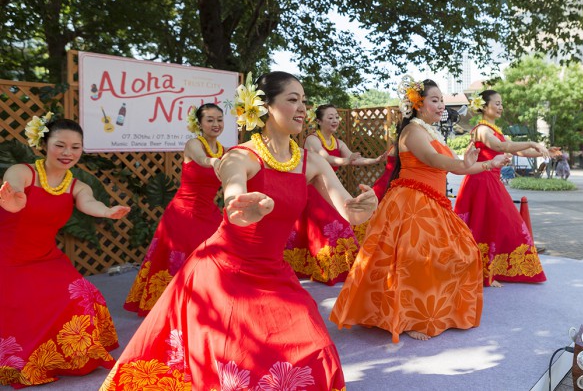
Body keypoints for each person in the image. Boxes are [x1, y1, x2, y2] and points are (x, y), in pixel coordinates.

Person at [100, 72, 377, 390]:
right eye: (292, 100)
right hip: (223, 273)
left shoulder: (311, 162)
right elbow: (234, 200)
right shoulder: (240, 157)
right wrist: (244, 209)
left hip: (273, 272)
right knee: (234, 366)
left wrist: (362, 208)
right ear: (266, 108)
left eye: (303, 101)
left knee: (313, 346)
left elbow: (349, 209)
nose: (302, 108)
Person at [330, 78, 507, 343]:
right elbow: (436, 161)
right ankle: (411, 317)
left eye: (441, 101)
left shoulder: (431, 131)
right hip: (411, 201)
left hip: (433, 201)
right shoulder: (413, 131)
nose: (440, 105)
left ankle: (433, 311)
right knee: (416, 259)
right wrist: (462, 163)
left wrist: (489, 162)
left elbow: (458, 166)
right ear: (417, 104)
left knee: (463, 252)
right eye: (434, 100)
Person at [0, 116, 130, 388]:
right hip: (7, 259)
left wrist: (106, 211)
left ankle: (63, 356)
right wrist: (14, 194)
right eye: (60, 145)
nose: (68, 153)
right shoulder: (24, 172)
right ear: (45, 144)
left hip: (47, 258)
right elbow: (13, 182)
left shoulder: (76, 185)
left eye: (75, 147)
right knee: (24, 303)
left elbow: (89, 202)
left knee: (82, 294)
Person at [123, 103, 224, 316]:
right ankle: (176, 302)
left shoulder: (224, 149)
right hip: (184, 212)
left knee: (217, 253)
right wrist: (218, 162)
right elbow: (203, 160)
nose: (216, 124)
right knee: (183, 257)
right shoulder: (193, 144)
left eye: (219, 120)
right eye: (210, 120)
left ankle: (205, 300)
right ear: (200, 124)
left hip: (209, 213)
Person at [454, 90, 554, 288]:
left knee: (496, 223)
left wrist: (543, 151)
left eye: (501, 103)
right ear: (484, 106)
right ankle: (483, 272)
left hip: (489, 182)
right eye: (497, 103)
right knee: (489, 224)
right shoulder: (482, 129)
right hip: (481, 181)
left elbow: (517, 149)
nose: (500, 107)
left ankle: (490, 269)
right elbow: (501, 147)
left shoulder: (491, 129)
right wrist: (533, 141)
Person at [284, 104, 386, 285]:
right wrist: (346, 160)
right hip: (312, 191)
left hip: (330, 188)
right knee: (325, 228)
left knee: (340, 226)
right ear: (319, 121)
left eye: (336, 117)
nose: (335, 121)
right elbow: (325, 158)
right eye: (330, 117)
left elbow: (355, 160)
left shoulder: (339, 143)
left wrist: (376, 160)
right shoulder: (312, 139)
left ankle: (338, 268)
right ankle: (321, 269)